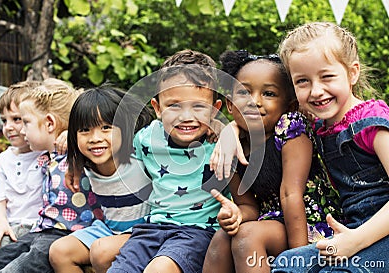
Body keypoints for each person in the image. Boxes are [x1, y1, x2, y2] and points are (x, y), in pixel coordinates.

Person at [202, 50, 342, 273]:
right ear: (230, 105)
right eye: (244, 93)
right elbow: (248, 206)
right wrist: (236, 215)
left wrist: (300, 260)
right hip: (271, 223)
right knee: (222, 237)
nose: (254, 102)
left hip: (308, 225)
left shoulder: (289, 128)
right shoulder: (232, 147)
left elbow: (290, 194)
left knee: (247, 236)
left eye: (268, 93)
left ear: (289, 105)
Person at [267, 22, 389, 272]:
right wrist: (231, 131)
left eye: (327, 77)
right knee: (288, 264)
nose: (316, 91)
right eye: (302, 81)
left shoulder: (372, 123)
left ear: (352, 72)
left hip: (380, 230)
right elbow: (260, 121)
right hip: (352, 228)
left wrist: (356, 241)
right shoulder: (319, 123)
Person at [107, 49, 229, 273]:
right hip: (152, 228)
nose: (186, 116)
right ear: (157, 108)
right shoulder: (146, 138)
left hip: (199, 232)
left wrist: (226, 129)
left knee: (159, 270)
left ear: (214, 110)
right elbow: (107, 153)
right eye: (174, 105)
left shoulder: (221, 143)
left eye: (199, 106)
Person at [0, 78, 103, 273]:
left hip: (66, 233)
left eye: (24, 122)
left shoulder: (80, 151)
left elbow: (98, 134)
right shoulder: (45, 157)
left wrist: (72, 134)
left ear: (50, 123)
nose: (21, 131)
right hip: (41, 231)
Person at [49, 84, 153, 273]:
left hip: (148, 231)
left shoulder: (139, 155)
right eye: (85, 130)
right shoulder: (85, 164)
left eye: (106, 127)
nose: (95, 138)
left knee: (101, 252)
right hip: (110, 229)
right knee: (59, 251)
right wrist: (73, 158)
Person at [0, 81, 43, 256]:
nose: (8, 127)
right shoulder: (5, 158)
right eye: (4, 120)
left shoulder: (48, 154)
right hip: (4, 220)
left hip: (32, 226)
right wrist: (1, 224)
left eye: (17, 119)